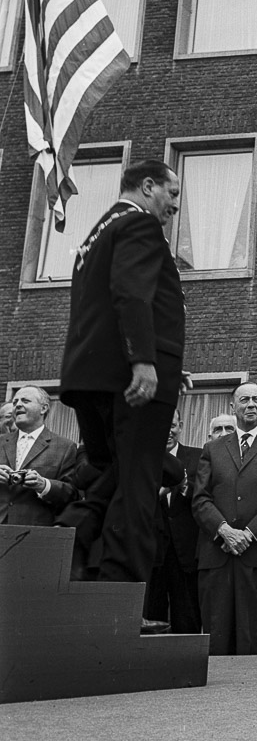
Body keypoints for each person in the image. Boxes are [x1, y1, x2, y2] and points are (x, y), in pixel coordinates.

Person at [56, 160, 187, 597]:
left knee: (113, 473)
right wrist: (145, 361)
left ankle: (72, 535)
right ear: (148, 186)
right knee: (138, 483)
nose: (174, 203)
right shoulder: (140, 225)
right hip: (130, 382)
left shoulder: (96, 233)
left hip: (94, 376)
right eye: (172, 192)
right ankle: (120, 596)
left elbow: (100, 306)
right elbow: (131, 292)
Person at [192, 382, 257, 655]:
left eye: (256, 400)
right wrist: (224, 530)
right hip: (217, 555)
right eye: (245, 400)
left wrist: (247, 534)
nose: (251, 404)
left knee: (254, 636)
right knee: (216, 635)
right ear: (232, 406)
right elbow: (200, 499)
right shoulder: (212, 449)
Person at [147, 408, 202, 634]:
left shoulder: (198, 457)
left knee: (187, 616)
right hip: (152, 551)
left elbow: (204, 497)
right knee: (151, 616)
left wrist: (183, 487)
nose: (168, 432)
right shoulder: (142, 459)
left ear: (180, 427)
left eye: (172, 426)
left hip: (186, 552)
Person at [0, 385, 78, 526]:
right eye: (15, 402)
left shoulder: (65, 447)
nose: (18, 405)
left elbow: (72, 494)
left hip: (34, 533)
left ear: (43, 408)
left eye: (25, 401)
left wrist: (43, 485)